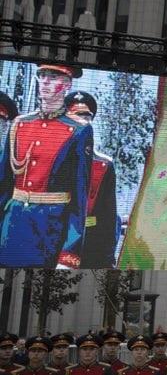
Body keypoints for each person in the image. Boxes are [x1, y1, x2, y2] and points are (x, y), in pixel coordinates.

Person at [0, 64, 94, 268]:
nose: (45, 82)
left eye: (53, 77)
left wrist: (69, 252)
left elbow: (80, 195)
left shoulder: (78, 130)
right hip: (12, 225)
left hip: (49, 229)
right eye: (42, 76)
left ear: (67, 84)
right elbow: (3, 184)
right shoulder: (20, 124)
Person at [64, 91, 118, 268]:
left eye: (87, 117)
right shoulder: (51, 159)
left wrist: (107, 256)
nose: (83, 122)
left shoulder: (103, 166)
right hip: (54, 237)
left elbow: (108, 217)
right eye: (76, 117)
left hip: (90, 242)